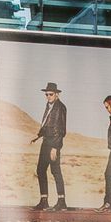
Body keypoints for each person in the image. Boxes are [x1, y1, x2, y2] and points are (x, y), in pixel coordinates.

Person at [32, 82, 68, 211]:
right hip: (46, 142)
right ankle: (44, 200)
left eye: (51, 94)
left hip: (53, 143)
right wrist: (38, 136)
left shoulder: (60, 107)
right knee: (40, 170)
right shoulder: (49, 106)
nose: (48, 96)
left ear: (57, 94)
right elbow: (46, 124)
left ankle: (61, 201)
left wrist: (55, 147)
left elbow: (61, 129)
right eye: (46, 94)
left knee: (55, 171)